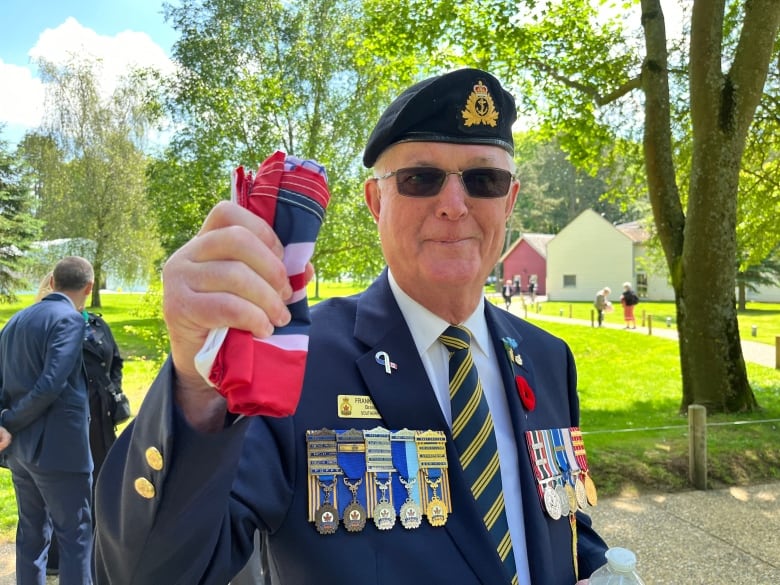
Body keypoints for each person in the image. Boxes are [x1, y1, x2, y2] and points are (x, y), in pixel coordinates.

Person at [93, 68, 608, 584]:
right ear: (375, 202)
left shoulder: (546, 358)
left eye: (484, 180)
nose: (454, 205)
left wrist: (602, 570)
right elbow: (151, 572)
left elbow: (555, 522)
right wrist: (192, 383)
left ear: (510, 201)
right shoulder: (296, 358)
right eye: (420, 179)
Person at [0, 256, 95, 585]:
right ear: (89, 288)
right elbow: (51, 384)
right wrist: (7, 421)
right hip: (59, 452)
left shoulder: (15, 321)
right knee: (77, 536)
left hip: (20, 453)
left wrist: (4, 423)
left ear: (52, 282)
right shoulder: (70, 320)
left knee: (31, 535)